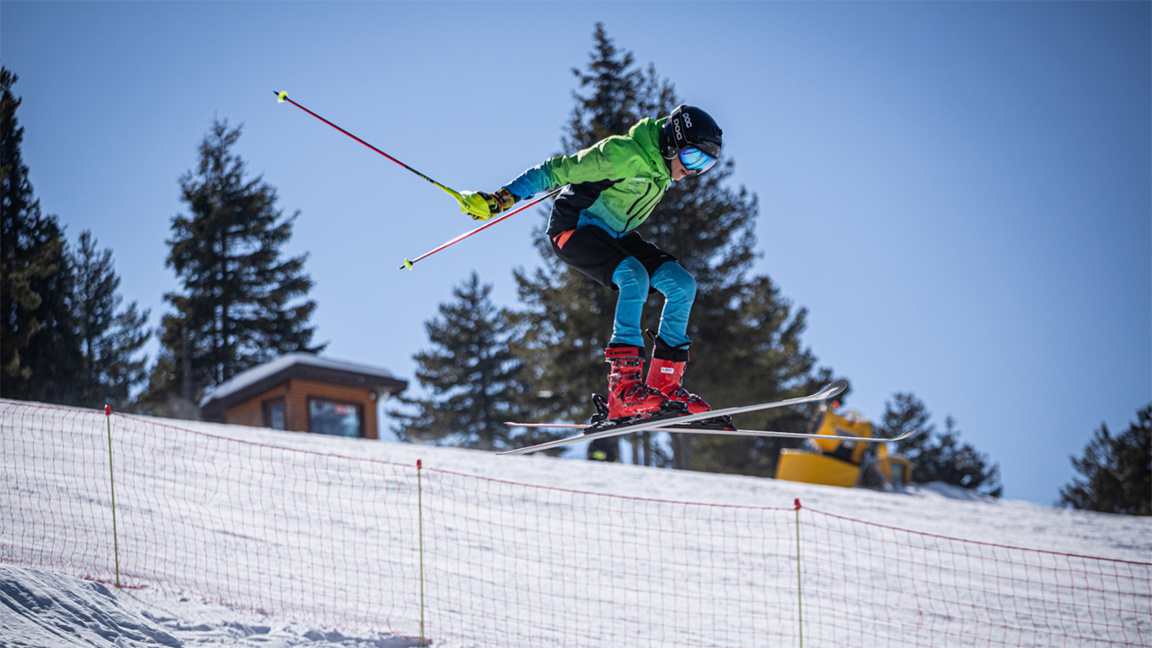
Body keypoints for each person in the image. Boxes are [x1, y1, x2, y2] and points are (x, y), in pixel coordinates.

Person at [458, 105, 723, 422]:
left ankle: (664, 385)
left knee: (682, 286)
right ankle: (623, 389)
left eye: (705, 166)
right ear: (672, 143)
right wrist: (502, 198)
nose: (693, 171)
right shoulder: (622, 154)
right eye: (693, 159)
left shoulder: (663, 169)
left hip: (613, 233)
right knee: (634, 276)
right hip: (574, 229)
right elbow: (555, 170)